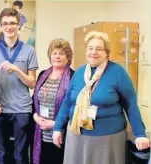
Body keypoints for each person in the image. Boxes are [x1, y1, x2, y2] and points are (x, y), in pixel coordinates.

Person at [53, 31, 150, 164]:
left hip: (108, 138)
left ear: (106, 52)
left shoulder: (117, 72)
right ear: (86, 50)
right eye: (90, 48)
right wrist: (57, 128)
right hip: (77, 135)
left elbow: (130, 103)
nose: (94, 52)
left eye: (99, 49)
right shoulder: (79, 72)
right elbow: (67, 102)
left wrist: (140, 134)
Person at [0, 8, 38, 164]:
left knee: (20, 155)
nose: (9, 27)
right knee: (1, 155)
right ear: (0, 26)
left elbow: (32, 83)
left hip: (22, 109)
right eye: (5, 23)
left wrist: (18, 70)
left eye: (13, 23)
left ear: (19, 24)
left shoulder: (29, 50)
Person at [32, 38, 74, 164]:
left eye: (61, 53)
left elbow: (75, 108)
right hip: (41, 131)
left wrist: (55, 124)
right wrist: (35, 116)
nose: (57, 56)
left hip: (62, 133)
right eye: (54, 53)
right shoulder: (43, 74)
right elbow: (34, 100)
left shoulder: (74, 77)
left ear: (68, 57)